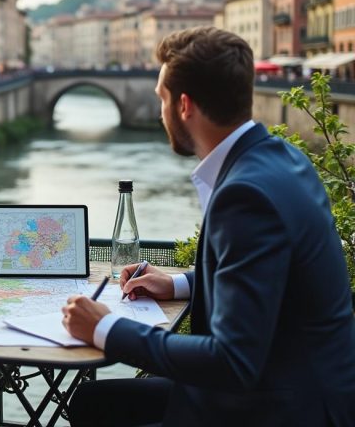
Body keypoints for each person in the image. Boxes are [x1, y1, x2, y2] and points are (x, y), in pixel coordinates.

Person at [62, 27, 355, 427]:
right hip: (296, 385)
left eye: (161, 99)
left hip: (279, 408)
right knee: (92, 403)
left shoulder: (245, 196)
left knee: (96, 408)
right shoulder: (280, 157)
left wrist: (105, 328)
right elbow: (267, 278)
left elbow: (233, 362)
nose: (160, 111)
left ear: (184, 105)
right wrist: (179, 283)